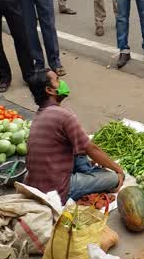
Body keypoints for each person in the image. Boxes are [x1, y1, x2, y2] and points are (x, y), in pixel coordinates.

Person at [24, 68, 124, 203]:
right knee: (113, 178)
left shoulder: (39, 115)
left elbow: (80, 149)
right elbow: (92, 149)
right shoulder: (64, 115)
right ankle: (91, 177)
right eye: (57, 80)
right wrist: (119, 170)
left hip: (35, 184)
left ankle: (88, 172)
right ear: (50, 90)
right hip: (57, 190)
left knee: (79, 152)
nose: (62, 82)